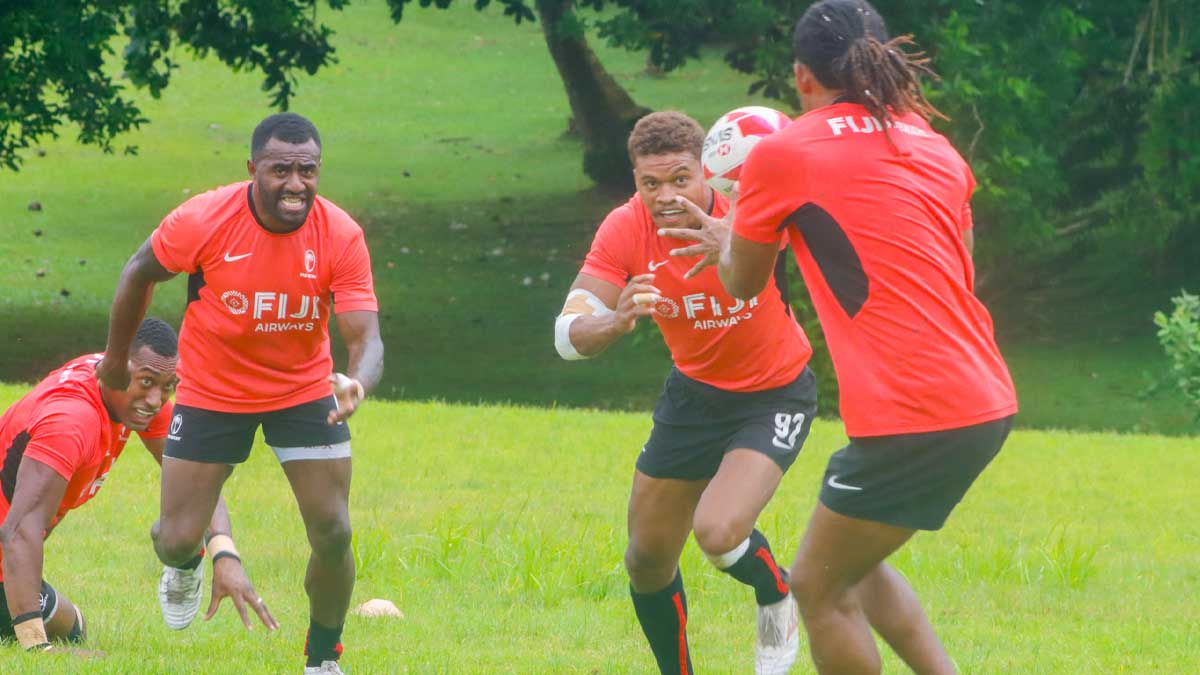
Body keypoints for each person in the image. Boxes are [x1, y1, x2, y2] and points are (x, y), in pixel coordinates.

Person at [665, 2, 1019, 672]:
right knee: (857, 563)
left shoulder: (784, 153)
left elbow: (742, 283)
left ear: (802, 76)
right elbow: (957, 267)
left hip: (915, 409)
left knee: (817, 585)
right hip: (985, 396)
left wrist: (728, 239)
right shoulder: (933, 145)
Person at [98, 112, 383, 675]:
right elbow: (138, 272)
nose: (296, 184)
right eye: (281, 170)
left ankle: (323, 658)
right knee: (176, 539)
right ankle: (185, 564)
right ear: (253, 168)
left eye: (308, 171)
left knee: (334, 532)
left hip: (303, 389)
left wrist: (357, 381)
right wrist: (114, 358)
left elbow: (365, 336)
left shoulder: (340, 233)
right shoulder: (204, 219)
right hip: (212, 389)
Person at [555, 111, 819, 675]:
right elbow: (567, 334)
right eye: (650, 183)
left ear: (706, 171)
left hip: (774, 393)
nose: (666, 196)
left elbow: (830, 225)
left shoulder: (748, 207)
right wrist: (613, 320)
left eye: (680, 178)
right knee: (646, 558)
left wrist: (738, 240)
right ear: (635, 181)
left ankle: (777, 591)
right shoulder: (625, 228)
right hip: (694, 396)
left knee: (719, 532)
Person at [0, 318, 271, 653]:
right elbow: (19, 529)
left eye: (168, 386)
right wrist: (36, 648)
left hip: (9, 555)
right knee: (58, 633)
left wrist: (224, 554)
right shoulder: (72, 422)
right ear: (116, 364)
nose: (156, 400)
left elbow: (195, 481)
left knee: (73, 629)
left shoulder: (126, 389)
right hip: (10, 547)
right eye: (147, 382)